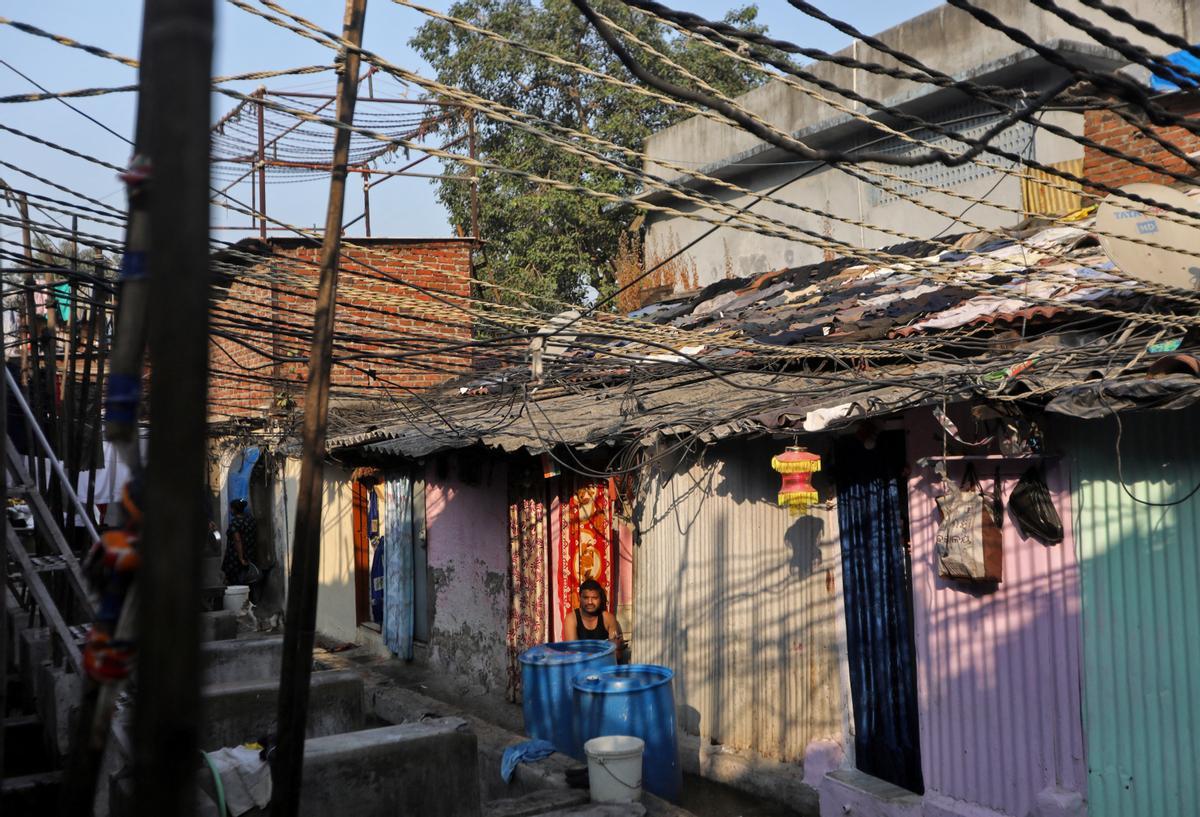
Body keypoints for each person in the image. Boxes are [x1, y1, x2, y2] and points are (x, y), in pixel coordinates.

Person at [563, 578, 624, 659]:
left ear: (600, 599)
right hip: (581, 668)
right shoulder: (571, 619)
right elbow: (574, 654)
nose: (590, 602)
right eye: (586, 598)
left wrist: (617, 648)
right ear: (579, 598)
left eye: (595, 598)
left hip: (604, 668)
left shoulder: (608, 618)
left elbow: (617, 656)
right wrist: (605, 650)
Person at [223, 498, 258, 587]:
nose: (230, 510)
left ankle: (238, 600)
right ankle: (249, 599)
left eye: (231, 508)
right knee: (249, 580)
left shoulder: (235, 523)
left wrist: (241, 558)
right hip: (250, 554)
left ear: (234, 510)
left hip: (236, 558)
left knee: (237, 582)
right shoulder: (251, 520)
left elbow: (237, 540)